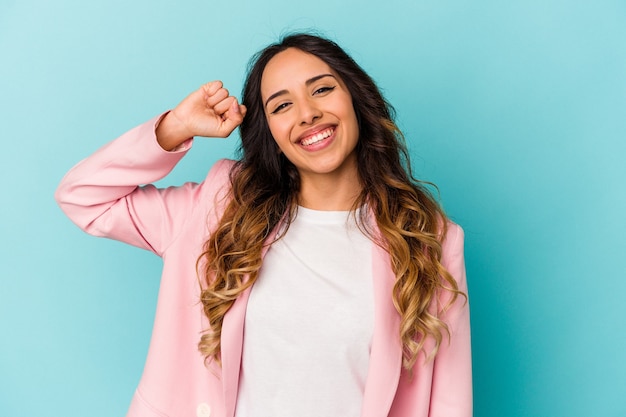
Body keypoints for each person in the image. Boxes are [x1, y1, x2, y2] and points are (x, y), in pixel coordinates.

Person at [55, 33, 472, 417]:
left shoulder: (427, 239)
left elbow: (449, 400)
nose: (308, 114)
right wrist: (175, 128)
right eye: (282, 105)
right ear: (270, 130)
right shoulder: (219, 208)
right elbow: (84, 197)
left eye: (322, 89)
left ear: (356, 100)